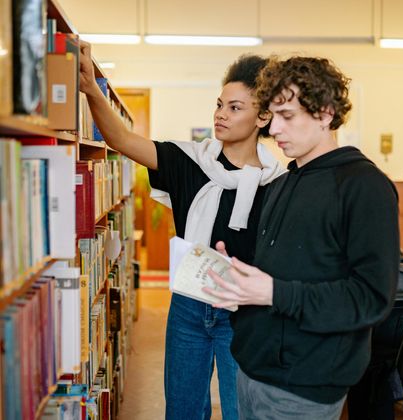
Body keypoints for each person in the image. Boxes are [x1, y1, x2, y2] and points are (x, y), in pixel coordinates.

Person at [79, 42, 284, 420]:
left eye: (235, 107)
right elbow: (120, 141)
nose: (221, 115)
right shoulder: (190, 160)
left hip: (244, 314)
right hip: (189, 307)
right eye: (219, 104)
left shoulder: (278, 186)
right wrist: (92, 90)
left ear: (263, 117)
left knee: (243, 411)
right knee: (183, 410)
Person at [204, 55, 400, 420]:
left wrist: (272, 292)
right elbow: (284, 268)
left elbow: (371, 298)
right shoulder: (281, 183)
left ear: (325, 113)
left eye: (287, 116)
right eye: (272, 115)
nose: (274, 129)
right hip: (250, 368)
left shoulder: (365, 187)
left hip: (304, 383)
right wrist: (235, 275)